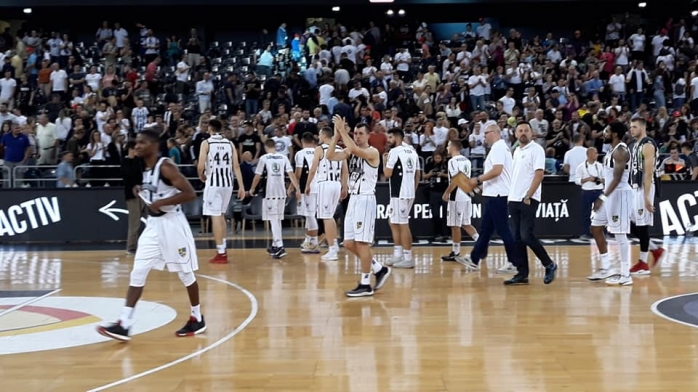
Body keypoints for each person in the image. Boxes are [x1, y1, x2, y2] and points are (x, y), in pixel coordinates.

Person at [97, 130, 205, 341]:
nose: (137, 146)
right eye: (136, 143)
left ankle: (197, 317)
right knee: (138, 271)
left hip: (173, 225)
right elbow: (156, 191)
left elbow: (190, 193)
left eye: (142, 143)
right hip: (154, 227)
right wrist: (141, 190)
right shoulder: (143, 168)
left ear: (154, 146)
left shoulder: (165, 166)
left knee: (185, 273)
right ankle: (124, 323)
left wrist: (161, 203)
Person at [326, 116, 391, 297]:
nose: (357, 136)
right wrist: (336, 136)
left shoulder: (373, 152)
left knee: (362, 243)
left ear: (368, 135)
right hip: (353, 199)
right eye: (355, 133)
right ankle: (378, 269)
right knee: (348, 243)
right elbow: (330, 156)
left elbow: (353, 148)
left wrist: (342, 131)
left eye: (361, 134)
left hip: (365, 199)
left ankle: (365, 284)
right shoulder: (350, 150)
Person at [459, 121, 520, 273]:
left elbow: (497, 170)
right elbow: (497, 174)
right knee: (486, 229)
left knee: (503, 229)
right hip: (494, 192)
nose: (484, 136)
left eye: (486, 133)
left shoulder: (498, 147)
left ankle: (514, 262)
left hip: (498, 194)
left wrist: (477, 180)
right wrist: (481, 186)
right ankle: (474, 259)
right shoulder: (500, 148)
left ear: (494, 133)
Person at [504, 122, 558, 285]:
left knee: (526, 235)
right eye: (520, 130)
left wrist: (528, 195)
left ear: (532, 133)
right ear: (515, 134)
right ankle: (522, 273)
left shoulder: (536, 150)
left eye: (526, 130)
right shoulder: (516, 151)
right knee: (516, 238)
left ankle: (549, 264)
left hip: (528, 198)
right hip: (513, 199)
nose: (523, 133)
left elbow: (539, 174)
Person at [588, 122, 634, 286]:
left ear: (614, 134)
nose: (603, 133)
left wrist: (603, 197)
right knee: (595, 227)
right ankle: (606, 267)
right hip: (610, 195)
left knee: (620, 235)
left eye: (607, 131)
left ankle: (625, 274)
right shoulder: (611, 150)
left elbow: (617, 178)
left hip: (619, 195)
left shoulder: (620, 151)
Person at [198, 118, 246, 264]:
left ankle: (221, 252)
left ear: (210, 129)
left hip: (213, 184)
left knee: (215, 216)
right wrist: (242, 186)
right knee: (221, 216)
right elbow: (236, 166)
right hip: (228, 183)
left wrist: (202, 176)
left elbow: (200, 166)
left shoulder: (206, 143)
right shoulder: (230, 143)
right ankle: (222, 249)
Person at [249, 139, 301, 259]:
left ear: (266, 147)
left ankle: (280, 246)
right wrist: (296, 189)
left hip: (270, 192)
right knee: (277, 219)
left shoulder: (264, 158)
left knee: (273, 219)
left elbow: (257, 176)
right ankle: (274, 244)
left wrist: (252, 189)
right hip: (281, 192)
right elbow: (291, 174)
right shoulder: (283, 158)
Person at [628, 118, 665, 274]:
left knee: (641, 225)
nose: (631, 129)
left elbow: (649, 172)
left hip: (644, 187)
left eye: (634, 127)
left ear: (642, 128)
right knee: (629, 223)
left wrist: (646, 197)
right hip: (635, 186)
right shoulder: (635, 145)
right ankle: (655, 250)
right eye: (630, 127)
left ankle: (643, 263)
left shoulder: (648, 145)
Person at [305, 126, 348, 261]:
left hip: (325, 183)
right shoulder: (341, 149)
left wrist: (307, 185)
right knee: (330, 216)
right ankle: (334, 245)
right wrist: (344, 187)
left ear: (324, 136)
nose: (318, 137)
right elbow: (345, 171)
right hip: (336, 184)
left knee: (326, 217)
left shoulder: (319, 149)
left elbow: (312, 170)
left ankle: (331, 250)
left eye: (319, 135)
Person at [383, 128, 421, 269]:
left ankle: (408, 257)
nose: (388, 140)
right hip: (408, 192)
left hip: (399, 193)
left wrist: (384, 160)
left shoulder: (394, 152)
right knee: (393, 221)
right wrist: (413, 189)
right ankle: (398, 254)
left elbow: (387, 174)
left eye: (390, 137)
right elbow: (418, 174)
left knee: (402, 224)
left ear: (397, 138)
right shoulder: (412, 151)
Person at [440, 140, 480, 263]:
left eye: (448, 145)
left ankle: (456, 252)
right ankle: (481, 245)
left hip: (457, 196)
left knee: (455, 225)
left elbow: (455, 180)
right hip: (466, 194)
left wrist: (447, 192)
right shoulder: (466, 160)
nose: (447, 147)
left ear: (453, 147)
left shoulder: (452, 161)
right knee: (465, 223)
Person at [295, 132, 320, 254]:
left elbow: (298, 173)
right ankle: (308, 240)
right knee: (308, 214)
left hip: (307, 187)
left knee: (309, 215)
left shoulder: (300, 153)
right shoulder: (319, 151)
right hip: (320, 186)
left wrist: (293, 187)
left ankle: (314, 243)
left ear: (302, 141)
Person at [574, 147, 604, 240]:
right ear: (590, 154)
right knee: (586, 213)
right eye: (595, 153)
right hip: (587, 192)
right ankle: (587, 233)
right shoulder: (581, 167)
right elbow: (577, 181)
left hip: (598, 191)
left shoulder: (600, 166)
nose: (597, 154)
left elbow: (605, 178)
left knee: (601, 213)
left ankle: (602, 233)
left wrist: (599, 180)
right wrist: (588, 179)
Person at [121, 141, 144, 255]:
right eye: (135, 149)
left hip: (143, 194)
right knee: (134, 222)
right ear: (130, 149)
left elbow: (141, 175)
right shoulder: (125, 161)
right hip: (132, 195)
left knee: (152, 219)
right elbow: (128, 176)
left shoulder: (139, 161)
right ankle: (131, 247)